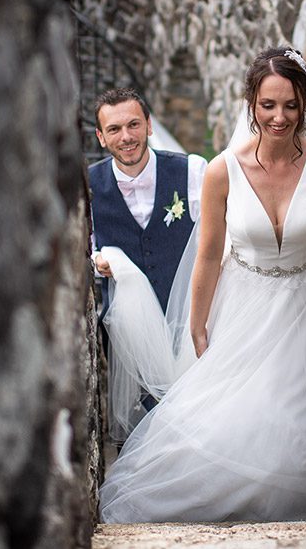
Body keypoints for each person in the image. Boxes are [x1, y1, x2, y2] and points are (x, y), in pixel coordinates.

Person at [99, 48, 306, 523]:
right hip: (244, 309)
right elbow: (210, 254)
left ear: (305, 106)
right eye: (268, 105)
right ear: (251, 105)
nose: (280, 117)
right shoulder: (222, 171)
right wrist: (197, 323)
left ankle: (303, 516)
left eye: (291, 105)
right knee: (242, 421)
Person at [88, 87, 207, 440]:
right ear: (101, 137)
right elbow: (88, 249)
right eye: (114, 129)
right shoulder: (89, 185)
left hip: (187, 322)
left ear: (149, 126)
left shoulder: (191, 171)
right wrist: (99, 262)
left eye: (133, 124)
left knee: (196, 417)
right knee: (145, 430)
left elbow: (215, 240)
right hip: (128, 332)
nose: (126, 137)